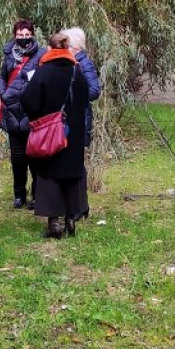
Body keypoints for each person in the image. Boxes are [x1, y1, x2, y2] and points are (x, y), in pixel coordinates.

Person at [20, 32, 89, 239]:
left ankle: (54, 223)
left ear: (50, 48)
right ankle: (70, 217)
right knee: (71, 173)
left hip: (51, 132)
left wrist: (39, 116)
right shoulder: (77, 71)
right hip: (73, 133)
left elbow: (28, 100)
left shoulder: (44, 71)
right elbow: (86, 98)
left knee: (50, 174)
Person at [0, 19, 45, 209]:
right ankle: (19, 194)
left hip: (31, 112)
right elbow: (1, 76)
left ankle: (37, 194)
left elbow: (43, 80)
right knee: (17, 158)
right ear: (15, 36)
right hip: (11, 111)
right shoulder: (9, 55)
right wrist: (3, 93)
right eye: (20, 35)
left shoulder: (41, 55)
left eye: (27, 35)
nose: (23, 39)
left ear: (32, 35)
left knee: (34, 157)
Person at [61, 27, 100, 220]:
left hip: (80, 120)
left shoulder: (85, 64)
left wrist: (72, 96)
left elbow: (95, 90)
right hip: (71, 119)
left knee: (77, 165)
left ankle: (79, 207)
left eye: (65, 44)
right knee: (73, 164)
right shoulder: (69, 63)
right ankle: (78, 205)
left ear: (74, 46)